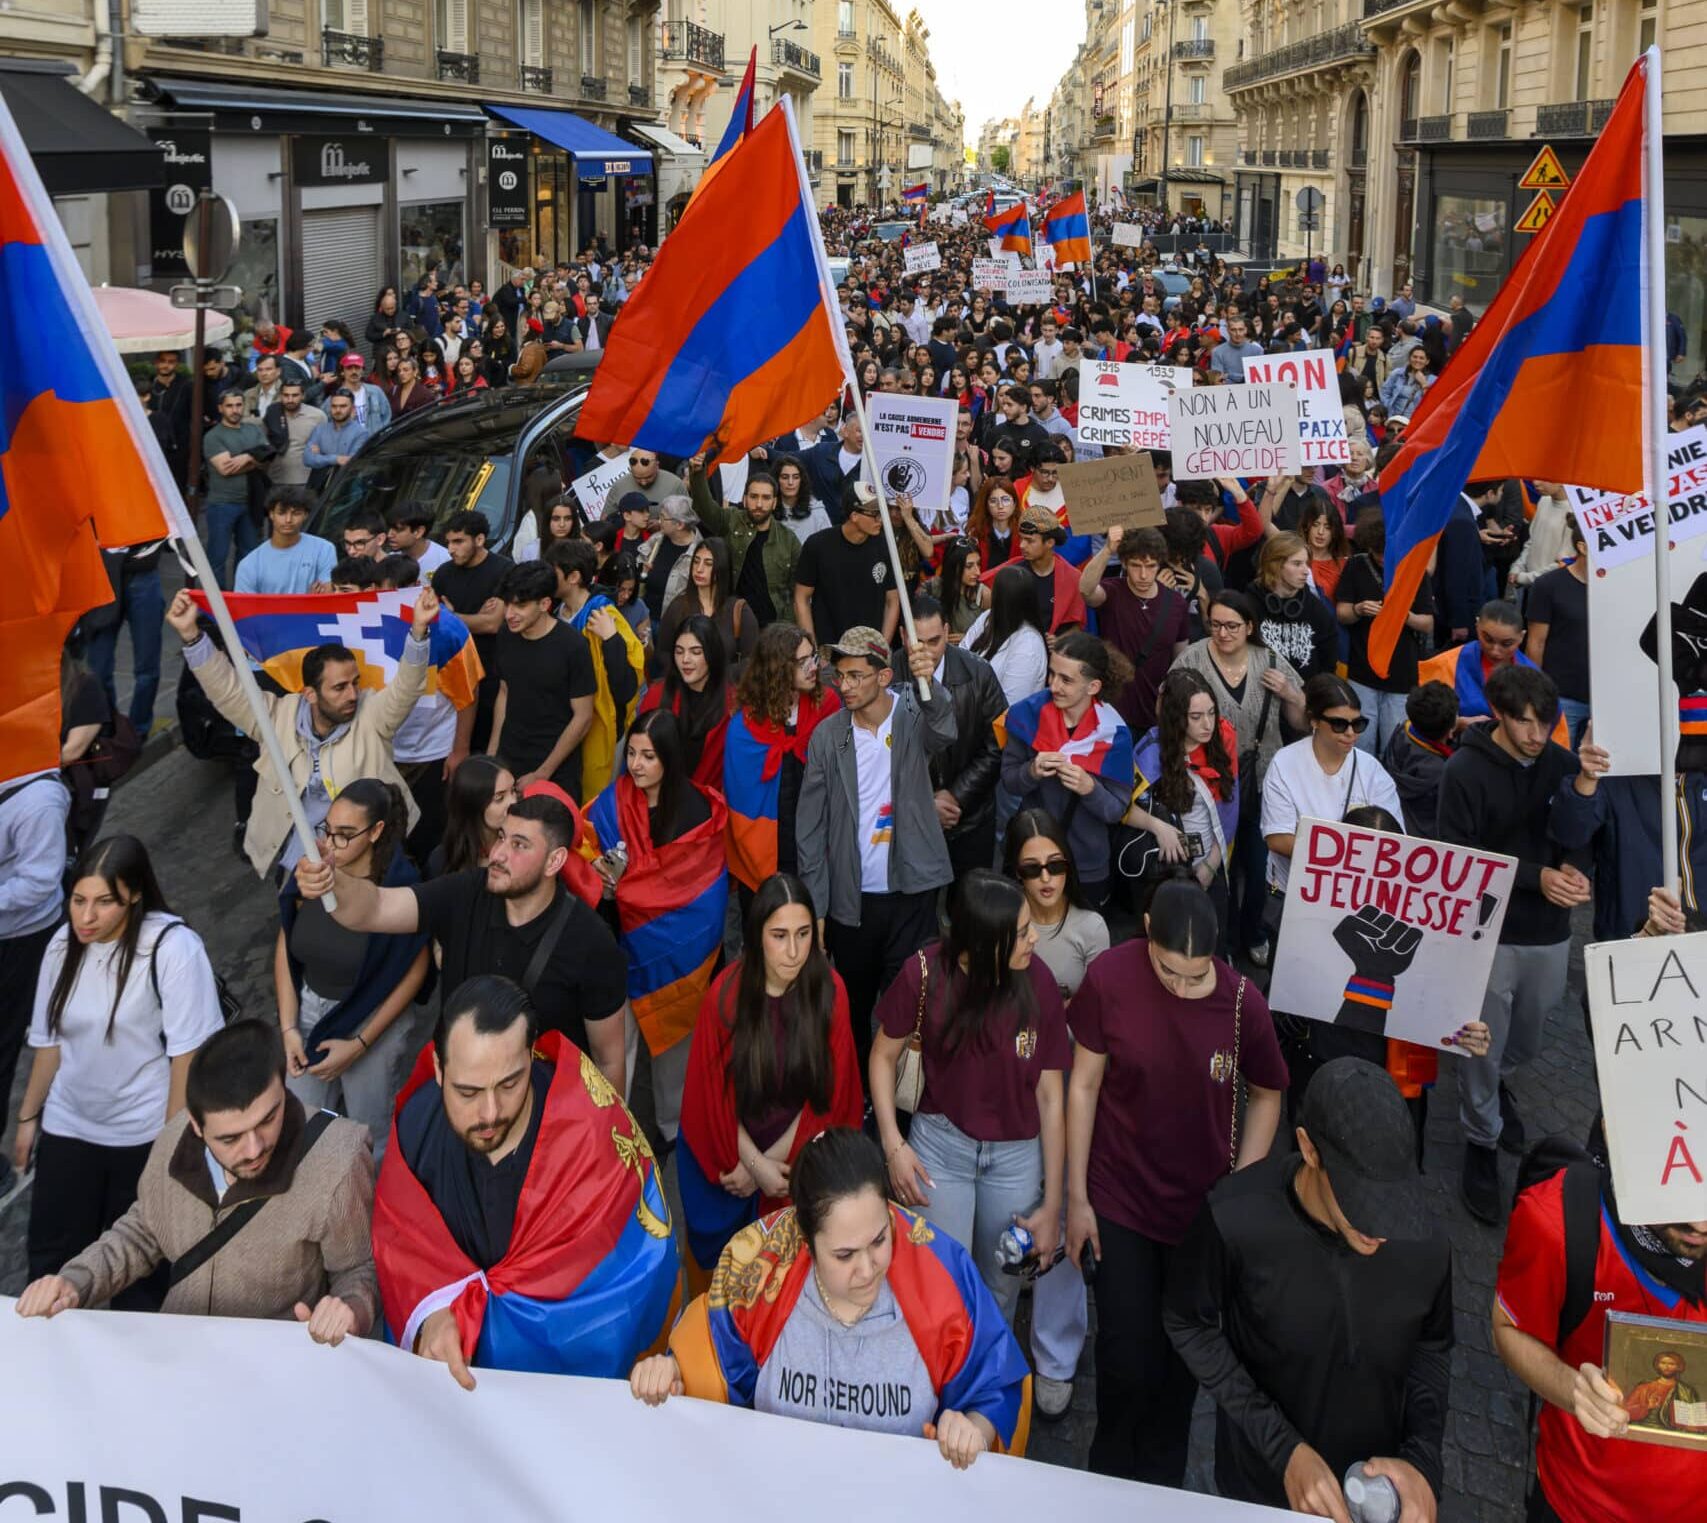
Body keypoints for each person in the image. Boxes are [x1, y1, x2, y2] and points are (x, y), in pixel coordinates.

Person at [1065, 879, 1288, 1485]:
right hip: (1120, 1197)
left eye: (1196, 977)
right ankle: (1106, 1477)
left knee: (1181, 1369)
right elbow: (1084, 1085)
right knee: (1124, 1358)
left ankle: (1163, 1487)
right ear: (1145, 933)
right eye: (1168, 972)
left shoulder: (1242, 1004)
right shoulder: (1110, 979)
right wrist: (1077, 1198)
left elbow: (1268, 1094)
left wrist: (1240, 1195)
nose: (1182, 988)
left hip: (1201, 1214)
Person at [629, 1127, 1030, 1462]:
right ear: (806, 1241)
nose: (868, 1269)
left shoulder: (942, 1278)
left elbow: (995, 1383)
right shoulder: (757, 1276)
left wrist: (972, 1430)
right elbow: (711, 1363)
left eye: (879, 1240)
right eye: (844, 1255)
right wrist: (671, 1374)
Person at [1165, 1058, 1451, 1520]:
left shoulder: (1426, 1241)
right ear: (1308, 1149)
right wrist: (1284, 1450)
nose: (1382, 1229)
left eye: (1392, 1199)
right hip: (1256, 1488)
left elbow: (1432, 1347)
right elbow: (1187, 1323)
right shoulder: (1235, 1217)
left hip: (1377, 1496)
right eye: (1361, 1198)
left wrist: (1422, 1462)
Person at [373, 975, 679, 1386]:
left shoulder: (591, 1137)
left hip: (564, 1385)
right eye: (468, 1092)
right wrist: (434, 1312)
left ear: (532, 1057)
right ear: (439, 1070)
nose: (490, 1112)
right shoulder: (416, 1129)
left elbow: (634, 1269)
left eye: (510, 1083)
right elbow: (404, 1248)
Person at [14, 1020, 378, 1336]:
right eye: (230, 1139)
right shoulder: (173, 1138)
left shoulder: (337, 1160)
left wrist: (350, 1310)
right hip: (181, 1353)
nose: (254, 1148)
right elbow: (143, 1232)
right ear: (196, 1126)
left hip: (275, 1365)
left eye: (268, 1119)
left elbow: (358, 1269)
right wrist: (74, 1282)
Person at [294, 789, 628, 1093]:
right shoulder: (466, 891)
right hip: (460, 1096)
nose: (498, 854)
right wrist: (333, 880)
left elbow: (609, 1060)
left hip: (546, 1115)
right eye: (501, 837)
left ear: (554, 861)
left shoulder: (592, 943)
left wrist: (605, 1130)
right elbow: (377, 907)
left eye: (519, 845)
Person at [13, 836, 225, 1303]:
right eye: (78, 900)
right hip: (69, 1127)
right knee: (50, 1268)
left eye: (104, 902)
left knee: (138, 1279)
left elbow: (186, 1058)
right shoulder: (62, 945)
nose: (86, 917)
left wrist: (169, 1151)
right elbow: (49, 1043)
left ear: (134, 895)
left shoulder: (173, 948)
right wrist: (29, 1118)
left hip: (142, 1135)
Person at [870, 870, 1069, 1325]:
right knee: (941, 1284)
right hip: (940, 1149)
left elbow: (1051, 1096)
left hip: (1016, 1157)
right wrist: (893, 1145)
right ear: (984, 944)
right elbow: (882, 1056)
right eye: (1022, 932)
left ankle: (986, 1365)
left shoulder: (1038, 982)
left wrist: (1052, 1204)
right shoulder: (923, 974)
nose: (1034, 938)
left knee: (1000, 1288)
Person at [1495, 1109, 1707, 1522]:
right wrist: (1572, 1389)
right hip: (1581, 1507)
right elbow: (1508, 1328)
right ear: (1618, 1132)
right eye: (1680, 1173)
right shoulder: (1557, 1222)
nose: (1700, 1223)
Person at [1439, 665, 1595, 1224]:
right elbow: (1458, 856)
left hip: (1549, 932)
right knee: (1482, 1040)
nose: (1537, 734)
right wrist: (1537, 877)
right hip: (1488, 932)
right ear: (1499, 715)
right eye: (1525, 722)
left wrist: (1576, 869)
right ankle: (1480, 1138)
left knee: (1527, 1033)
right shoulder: (1463, 770)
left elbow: (1582, 833)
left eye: (1545, 723)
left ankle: (1497, 1084)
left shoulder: (1563, 765)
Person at [166, 586, 433, 878]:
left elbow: (406, 689)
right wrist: (192, 636)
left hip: (363, 869)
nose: (352, 694)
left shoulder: (371, 715)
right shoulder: (276, 718)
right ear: (310, 694)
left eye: (354, 683)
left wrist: (418, 632)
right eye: (339, 687)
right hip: (295, 865)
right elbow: (227, 691)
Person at [676, 874, 864, 1285]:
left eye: (803, 934)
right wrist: (752, 1163)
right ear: (757, 936)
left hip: (795, 1157)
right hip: (730, 1157)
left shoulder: (830, 992)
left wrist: (767, 1167)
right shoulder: (725, 996)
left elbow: (828, 1097)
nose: (794, 952)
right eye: (779, 936)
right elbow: (711, 1097)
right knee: (721, 1284)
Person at [797, 626, 953, 1077]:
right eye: (840, 676)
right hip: (852, 902)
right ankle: (859, 1093)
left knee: (914, 1007)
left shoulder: (913, 713)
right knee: (853, 1006)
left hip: (912, 893)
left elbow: (945, 727)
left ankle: (907, 1093)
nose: (844, 686)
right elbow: (810, 832)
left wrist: (930, 681)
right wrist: (817, 908)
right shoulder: (827, 737)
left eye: (855, 676)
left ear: (884, 677)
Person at [586, 711, 728, 1145]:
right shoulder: (612, 803)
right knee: (617, 1046)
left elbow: (704, 898)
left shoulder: (697, 813)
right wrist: (600, 877)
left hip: (678, 956)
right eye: (631, 753)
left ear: (669, 757)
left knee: (676, 1051)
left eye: (648, 756)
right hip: (619, 945)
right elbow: (583, 847)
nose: (636, 764)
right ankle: (613, 1135)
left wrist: (629, 889)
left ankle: (674, 1134)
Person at [275, 780, 430, 1159]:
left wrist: (360, 1044)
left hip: (372, 1020)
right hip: (310, 1011)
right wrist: (289, 1027)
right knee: (300, 1126)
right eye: (327, 830)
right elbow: (285, 946)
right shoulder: (312, 872)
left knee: (370, 1135)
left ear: (376, 832)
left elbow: (414, 971)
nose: (330, 844)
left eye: (345, 835)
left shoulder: (399, 887)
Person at [1002, 632, 1137, 905]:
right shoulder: (1026, 714)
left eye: (1066, 680)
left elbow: (1116, 810)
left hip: (1086, 864)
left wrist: (1090, 788)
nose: (1053, 686)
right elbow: (1009, 781)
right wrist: (1032, 771)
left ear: (1093, 687)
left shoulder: (1114, 734)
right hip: (1031, 854)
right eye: (1052, 674)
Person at [723, 623, 843, 900]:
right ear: (777, 668)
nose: (813, 667)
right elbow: (740, 803)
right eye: (802, 662)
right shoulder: (744, 728)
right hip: (765, 846)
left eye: (813, 657)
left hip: (816, 844)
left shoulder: (827, 707)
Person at [1262, 675, 1405, 903]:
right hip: (1293, 893)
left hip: (1352, 898)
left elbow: (1395, 842)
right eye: (1339, 724)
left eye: (1358, 724)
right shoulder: (1285, 763)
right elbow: (1278, 839)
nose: (1351, 733)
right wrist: (1349, 853)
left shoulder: (1373, 771)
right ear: (1314, 721)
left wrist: (1329, 851)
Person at [1127, 668, 1239, 926]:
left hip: (1213, 861)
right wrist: (1159, 827)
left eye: (1212, 712)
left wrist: (1211, 865)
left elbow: (1230, 807)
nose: (1208, 724)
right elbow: (1122, 809)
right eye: (1196, 717)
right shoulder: (1151, 750)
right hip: (1166, 867)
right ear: (1176, 716)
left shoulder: (1224, 737)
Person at [906, 595, 1006, 880]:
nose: (926, 652)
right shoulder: (890, 677)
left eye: (934, 641)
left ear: (947, 631)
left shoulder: (979, 673)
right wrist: (925, 802)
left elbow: (997, 745)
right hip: (912, 823)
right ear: (903, 635)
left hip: (971, 818)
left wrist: (955, 795)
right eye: (918, 643)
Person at [540, 539, 645, 803]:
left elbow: (627, 685)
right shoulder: (554, 611)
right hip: (561, 727)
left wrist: (611, 640)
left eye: (552, 571)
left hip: (600, 730)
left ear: (573, 577)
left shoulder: (602, 616)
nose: (546, 577)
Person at [489, 561, 597, 800]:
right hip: (508, 760)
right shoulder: (506, 635)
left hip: (556, 770)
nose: (509, 614)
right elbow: (505, 692)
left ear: (545, 604)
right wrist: (492, 756)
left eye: (520, 605)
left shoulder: (573, 646)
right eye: (507, 604)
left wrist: (542, 773)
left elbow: (583, 717)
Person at [1336, 508, 1436, 754]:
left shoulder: (1414, 570)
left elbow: (1427, 623)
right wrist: (1359, 609)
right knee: (1360, 744)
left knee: (1395, 747)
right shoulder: (1356, 565)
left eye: (1386, 552)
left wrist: (1404, 615)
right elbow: (1342, 612)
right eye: (1376, 552)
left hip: (1402, 673)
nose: (1381, 558)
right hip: (1362, 670)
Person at [1078, 525, 1190, 738]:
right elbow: (1085, 589)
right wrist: (1107, 550)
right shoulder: (1112, 591)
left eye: (1151, 566)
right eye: (1136, 565)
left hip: (1155, 715)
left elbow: (1180, 660)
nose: (1143, 575)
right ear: (1124, 563)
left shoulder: (1176, 604)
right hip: (1111, 713)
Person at [1417, 597, 1566, 742]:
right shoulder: (1447, 664)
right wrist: (1456, 724)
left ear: (1521, 637)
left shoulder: (1534, 679)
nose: (1495, 651)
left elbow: (1555, 735)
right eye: (1487, 639)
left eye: (1506, 644)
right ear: (1477, 626)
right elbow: (1421, 718)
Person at [686, 461, 802, 630]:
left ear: (775, 502)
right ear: (744, 499)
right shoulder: (731, 520)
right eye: (754, 497)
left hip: (772, 628)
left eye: (766, 498)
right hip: (730, 623)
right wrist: (697, 472)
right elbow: (704, 508)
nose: (759, 504)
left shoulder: (788, 540)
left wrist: (785, 628)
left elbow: (796, 592)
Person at [794, 483, 900, 649]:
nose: (880, 519)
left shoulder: (886, 546)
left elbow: (892, 601)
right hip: (828, 650)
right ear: (854, 515)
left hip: (870, 651)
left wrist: (882, 648)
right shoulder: (818, 545)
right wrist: (812, 647)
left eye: (882, 512)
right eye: (875, 514)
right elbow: (801, 598)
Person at [639, 613, 736, 791]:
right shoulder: (657, 694)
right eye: (679, 651)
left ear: (713, 653)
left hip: (708, 802)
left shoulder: (733, 704)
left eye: (696, 652)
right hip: (657, 798)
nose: (685, 660)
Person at [1525, 518, 1592, 746]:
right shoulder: (1548, 585)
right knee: (1559, 758)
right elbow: (1536, 642)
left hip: (1606, 696)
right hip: (1561, 695)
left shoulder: (1616, 586)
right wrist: (1535, 691)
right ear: (1582, 547)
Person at [201, 388, 270, 586]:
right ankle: (218, 600)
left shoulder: (253, 430)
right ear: (220, 408)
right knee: (217, 556)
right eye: (229, 406)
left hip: (251, 501)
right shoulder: (214, 436)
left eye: (239, 405)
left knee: (249, 554)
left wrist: (246, 457)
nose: (235, 410)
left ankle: (242, 596)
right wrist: (255, 458)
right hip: (222, 504)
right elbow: (226, 468)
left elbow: (268, 458)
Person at [657, 538, 759, 670]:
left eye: (708, 563)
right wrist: (684, 672)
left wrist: (717, 675)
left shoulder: (739, 611)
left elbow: (752, 661)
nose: (699, 569)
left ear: (722, 568)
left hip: (726, 682)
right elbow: (663, 652)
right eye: (696, 561)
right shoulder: (678, 606)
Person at [1252, 532, 1338, 683]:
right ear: (1275, 565)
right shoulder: (1249, 604)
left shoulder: (1317, 609)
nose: (1306, 571)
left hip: (1305, 695)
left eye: (1306, 563)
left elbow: (1328, 664)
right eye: (1297, 564)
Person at [1383, 680, 1459, 839]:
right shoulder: (1444, 773)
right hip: (1430, 839)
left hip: (1399, 826)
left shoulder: (1401, 732)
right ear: (1450, 731)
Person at [235, 486, 337, 595]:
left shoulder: (324, 549)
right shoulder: (249, 564)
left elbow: (328, 596)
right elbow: (246, 605)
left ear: (305, 515)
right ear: (271, 514)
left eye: (296, 513)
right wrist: (309, 599)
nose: (288, 520)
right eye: (282, 513)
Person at [429, 754, 515, 878]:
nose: (513, 802)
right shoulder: (442, 860)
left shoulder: (526, 850)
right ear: (473, 804)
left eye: (513, 791)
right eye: (499, 798)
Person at [637, 495, 703, 629]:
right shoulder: (656, 540)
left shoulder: (699, 553)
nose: (658, 521)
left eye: (663, 517)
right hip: (645, 619)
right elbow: (638, 567)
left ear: (679, 524)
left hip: (674, 626)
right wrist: (641, 571)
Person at [932, 536, 988, 639]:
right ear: (953, 566)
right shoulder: (934, 587)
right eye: (969, 566)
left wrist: (970, 639)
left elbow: (999, 633)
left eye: (978, 564)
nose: (978, 572)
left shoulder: (984, 594)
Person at [386, 505, 451, 578]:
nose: (389, 535)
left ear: (418, 532)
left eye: (398, 529)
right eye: (389, 528)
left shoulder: (446, 561)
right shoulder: (389, 559)